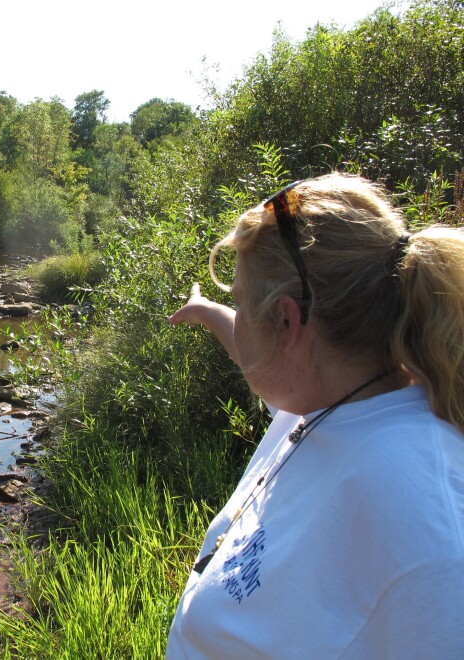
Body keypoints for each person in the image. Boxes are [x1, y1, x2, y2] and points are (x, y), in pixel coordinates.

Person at [164, 173, 464, 658]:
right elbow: (257, 357)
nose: (236, 320)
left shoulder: (426, 524)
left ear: (287, 322)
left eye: (241, 304)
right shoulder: (326, 398)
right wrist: (207, 311)